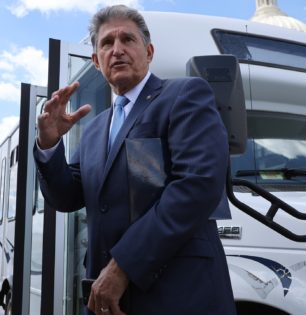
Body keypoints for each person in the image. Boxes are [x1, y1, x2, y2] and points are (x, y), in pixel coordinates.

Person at [34, 4, 236, 315]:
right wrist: (49, 144)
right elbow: (67, 196)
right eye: (106, 43)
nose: (117, 50)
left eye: (128, 39)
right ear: (96, 62)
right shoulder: (94, 128)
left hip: (178, 296)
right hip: (107, 300)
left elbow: (197, 185)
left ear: (149, 51)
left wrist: (123, 266)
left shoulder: (184, 95)